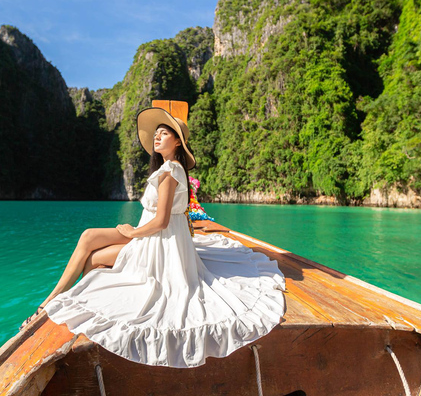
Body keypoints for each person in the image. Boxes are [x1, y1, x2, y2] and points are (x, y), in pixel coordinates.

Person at [20, 105, 286, 368]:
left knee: (94, 256)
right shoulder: (168, 169)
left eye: (163, 133)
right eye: (156, 133)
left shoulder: (170, 171)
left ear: (178, 143)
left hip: (160, 245)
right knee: (88, 237)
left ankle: (66, 303)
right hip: (154, 238)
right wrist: (133, 232)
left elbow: (160, 222)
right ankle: (56, 299)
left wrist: (132, 232)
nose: (157, 137)